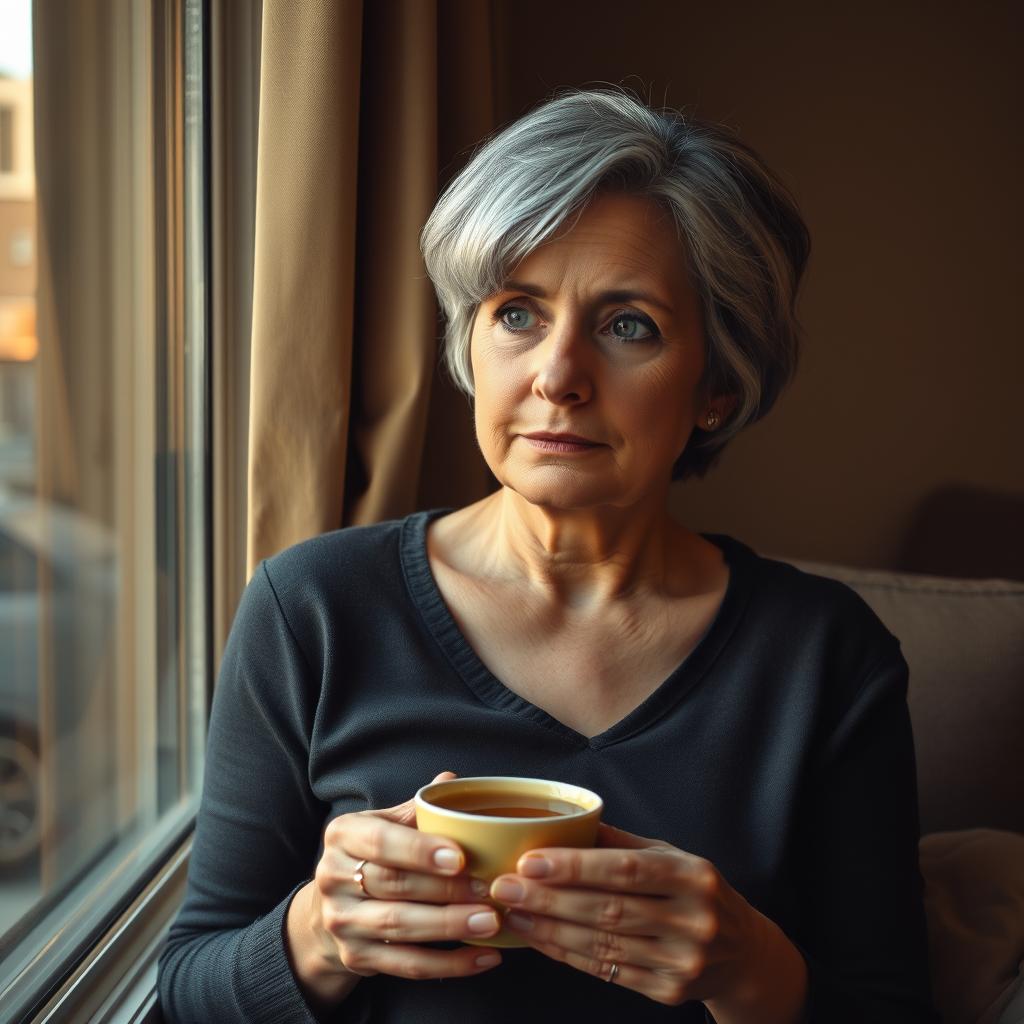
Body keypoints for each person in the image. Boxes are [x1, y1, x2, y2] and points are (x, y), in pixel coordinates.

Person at [158, 87, 938, 1023]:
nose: (558, 377)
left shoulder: (825, 656)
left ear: (717, 387)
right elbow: (187, 991)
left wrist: (746, 965)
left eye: (628, 326)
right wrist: (320, 933)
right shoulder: (313, 606)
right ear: (470, 346)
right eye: (517, 314)